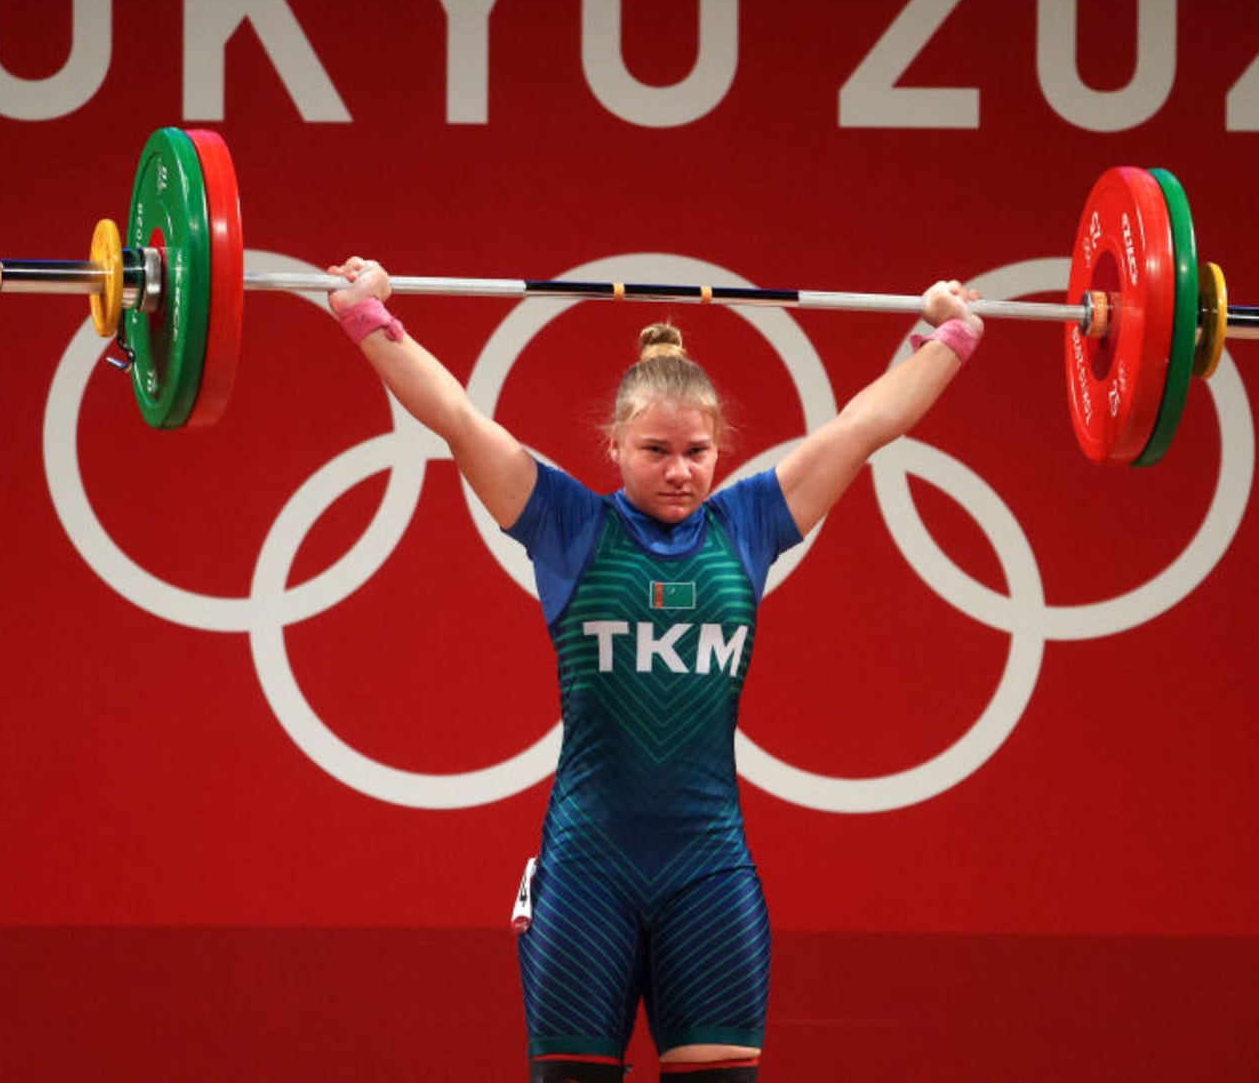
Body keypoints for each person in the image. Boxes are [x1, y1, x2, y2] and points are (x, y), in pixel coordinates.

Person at [326, 257, 983, 1082]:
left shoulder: (748, 525)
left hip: (707, 871)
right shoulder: (567, 523)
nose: (680, 470)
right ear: (615, 446)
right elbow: (457, 418)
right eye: (656, 450)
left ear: (722, 449)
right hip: (586, 871)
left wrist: (947, 332)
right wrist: (365, 317)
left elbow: (863, 427)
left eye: (698, 451)